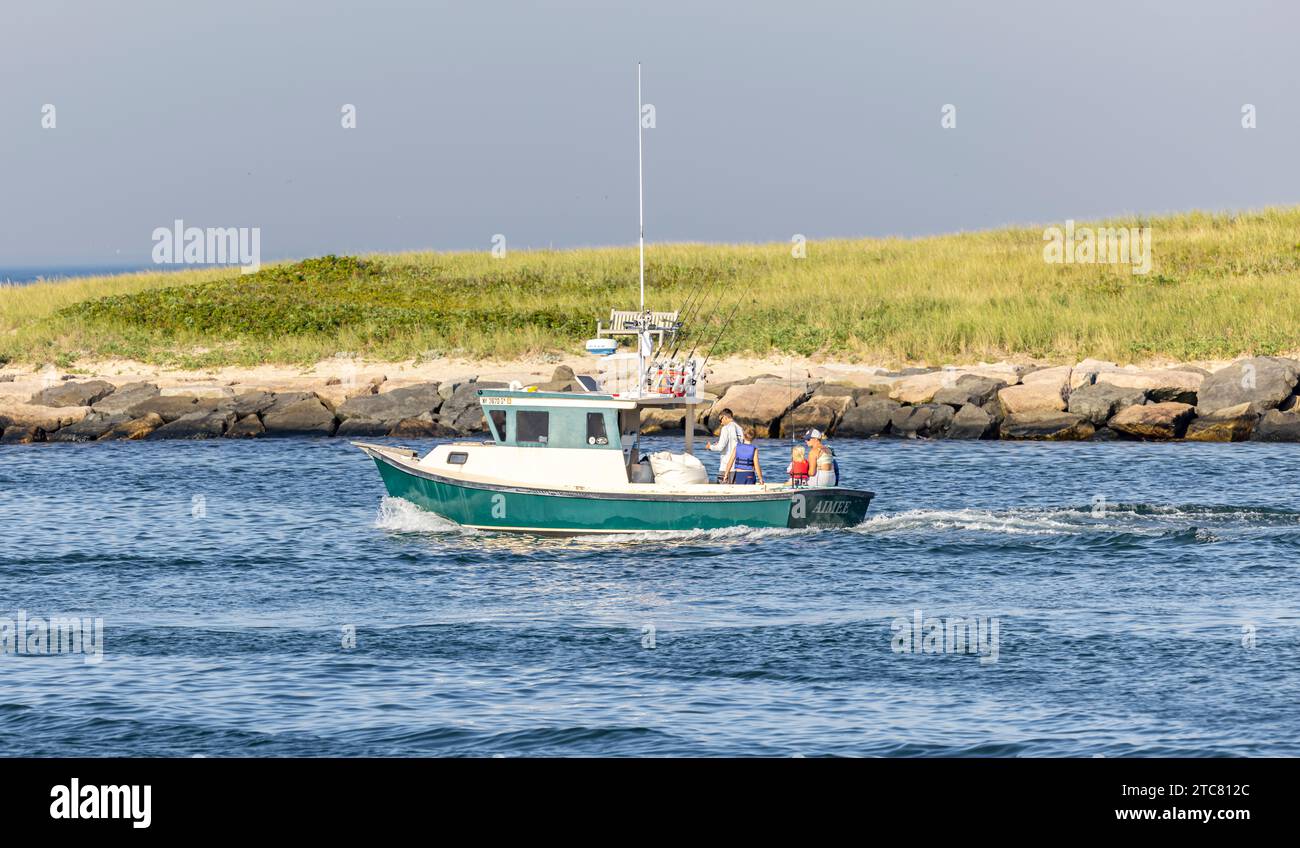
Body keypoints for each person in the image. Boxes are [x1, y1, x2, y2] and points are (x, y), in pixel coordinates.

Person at [706, 408, 744, 483]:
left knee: (722, 491)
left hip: (726, 466)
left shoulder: (726, 428)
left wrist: (710, 447)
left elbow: (720, 447)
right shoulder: (740, 429)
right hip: (738, 467)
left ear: (725, 417)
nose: (721, 423)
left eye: (720, 420)